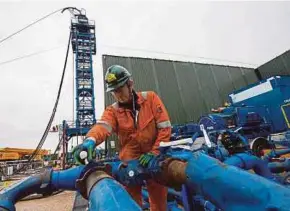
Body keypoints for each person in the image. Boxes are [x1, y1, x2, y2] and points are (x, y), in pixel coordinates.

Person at [72, 65, 171, 211]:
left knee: (159, 203)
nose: (117, 95)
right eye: (114, 91)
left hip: (154, 159)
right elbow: (102, 127)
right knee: (130, 203)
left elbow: (165, 127)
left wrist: (155, 153)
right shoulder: (112, 111)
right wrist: (90, 140)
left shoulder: (150, 99)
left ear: (130, 84)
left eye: (119, 89)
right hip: (129, 163)